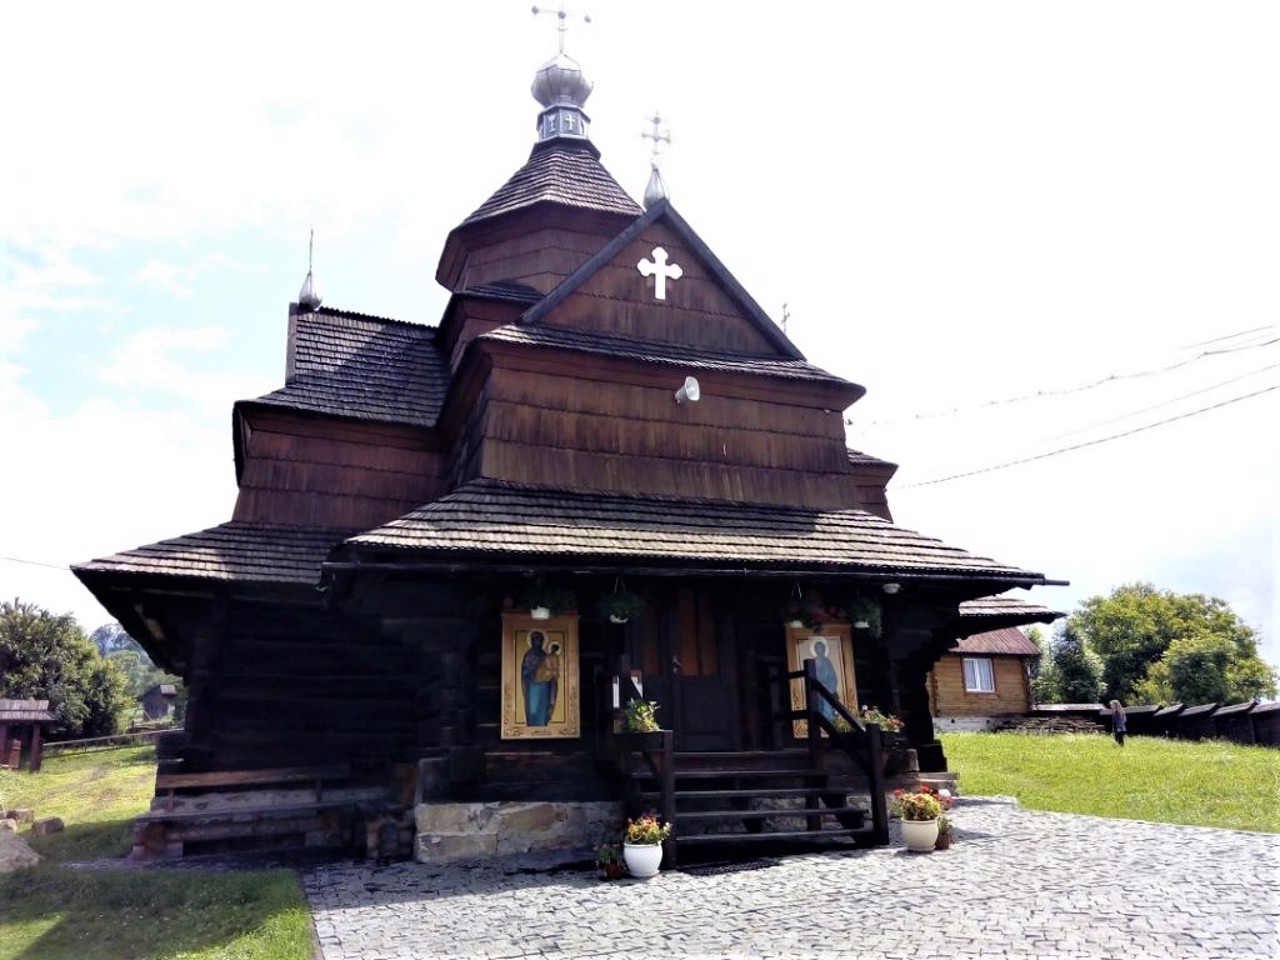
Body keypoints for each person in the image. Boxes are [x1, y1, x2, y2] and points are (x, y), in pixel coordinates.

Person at [521, 631, 555, 727]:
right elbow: (525, 673)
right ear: (532, 641)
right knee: (533, 710)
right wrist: (535, 670)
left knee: (543, 709)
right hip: (533, 687)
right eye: (536, 640)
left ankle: (543, 727)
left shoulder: (544, 655)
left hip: (545, 687)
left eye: (540, 640)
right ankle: (533, 727)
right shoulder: (529, 656)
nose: (538, 642)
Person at [811, 639, 839, 723]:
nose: (820, 650)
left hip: (828, 687)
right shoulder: (813, 662)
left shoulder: (827, 661)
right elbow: (813, 675)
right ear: (815, 650)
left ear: (823, 649)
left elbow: (832, 676)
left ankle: (829, 721)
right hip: (818, 687)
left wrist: (829, 686)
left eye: (821, 648)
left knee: (828, 705)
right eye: (818, 648)